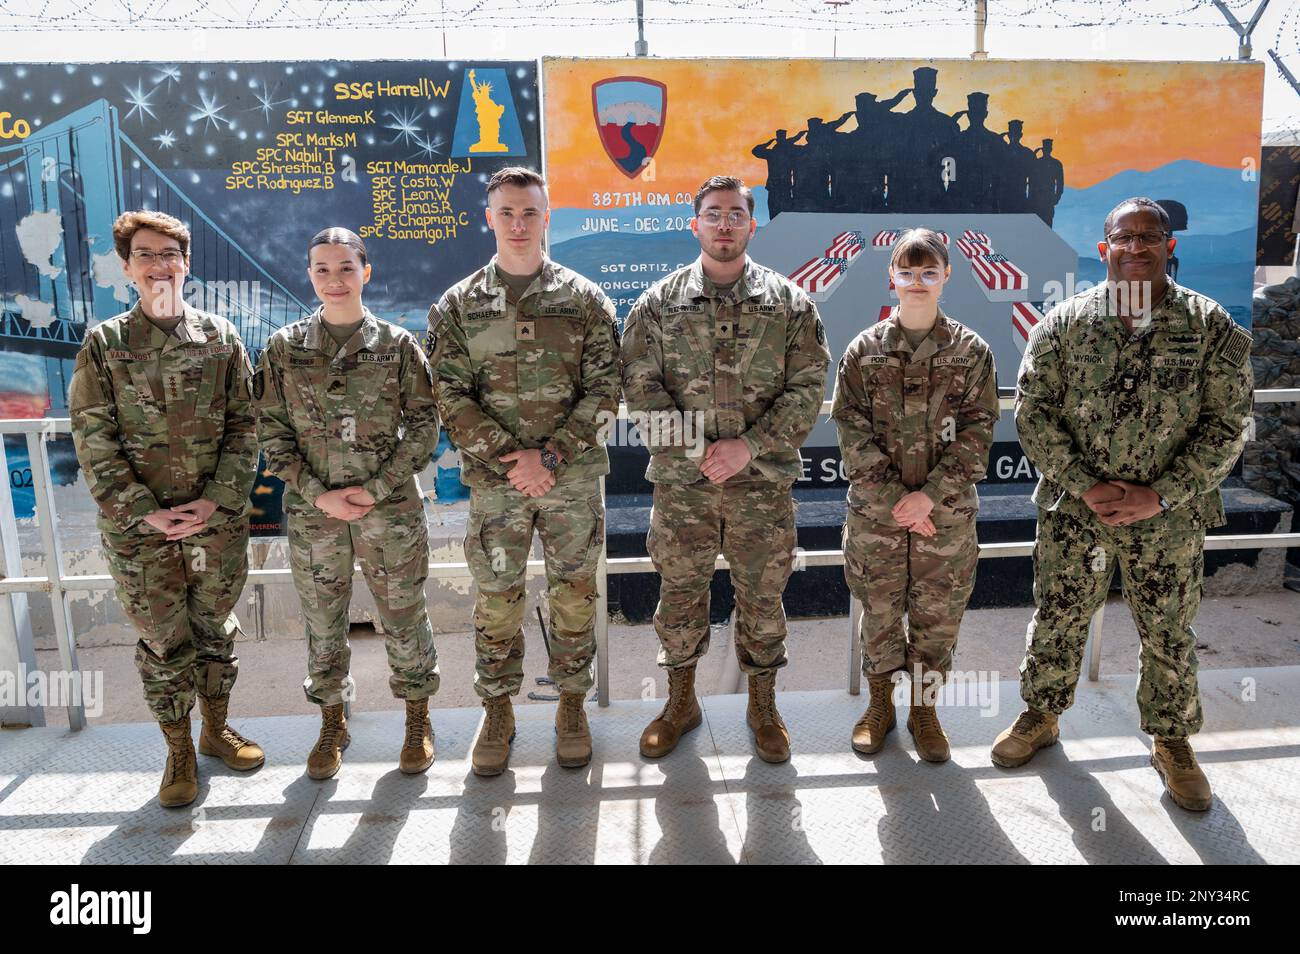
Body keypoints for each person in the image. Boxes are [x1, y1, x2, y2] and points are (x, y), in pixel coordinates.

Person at [993, 197, 1254, 812]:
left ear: (1170, 247)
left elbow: (1228, 424)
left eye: (1148, 236)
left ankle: (1172, 740)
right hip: (1076, 512)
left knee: (1168, 630)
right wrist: (1085, 484)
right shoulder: (1064, 324)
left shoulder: (1209, 325)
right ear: (1104, 247)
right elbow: (1034, 415)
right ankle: (1041, 715)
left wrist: (1160, 493)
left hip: (1168, 518)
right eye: (1123, 237)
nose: (1135, 247)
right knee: (1058, 616)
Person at [621, 175, 831, 763]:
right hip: (685, 488)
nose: (723, 224)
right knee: (681, 594)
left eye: (735, 214)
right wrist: (700, 451)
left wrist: (751, 446)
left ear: (750, 224)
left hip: (760, 486)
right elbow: (640, 388)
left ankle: (762, 708)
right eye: (712, 214)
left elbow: (809, 386)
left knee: (763, 597)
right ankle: (681, 703)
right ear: (695, 225)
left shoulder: (789, 303)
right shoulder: (658, 304)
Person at [429, 167, 621, 776]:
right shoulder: (457, 305)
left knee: (573, 594)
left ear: (546, 218)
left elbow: (606, 389)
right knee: (497, 599)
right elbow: (449, 397)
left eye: (530, 213)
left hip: (569, 483)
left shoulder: (586, 300)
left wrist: (552, 458)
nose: (518, 223)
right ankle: (498, 710)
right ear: (489, 217)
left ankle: (571, 705)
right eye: (507, 212)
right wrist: (516, 461)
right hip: (498, 485)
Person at [69, 210, 262, 808]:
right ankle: (177, 748)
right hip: (139, 533)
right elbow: (91, 437)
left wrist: (216, 500)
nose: (160, 264)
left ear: (187, 262)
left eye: (171, 254)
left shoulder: (221, 338)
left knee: (214, 632)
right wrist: (145, 511)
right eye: (147, 254)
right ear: (127, 267)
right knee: (162, 640)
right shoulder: (105, 344)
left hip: (215, 524)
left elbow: (245, 427)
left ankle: (214, 728)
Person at [255, 227, 441, 780]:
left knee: (404, 616)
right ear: (309, 275)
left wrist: (375, 488)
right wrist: (319, 494)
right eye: (321, 269)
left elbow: (425, 425)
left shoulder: (399, 345)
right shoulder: (284, 349)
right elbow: (270, 430)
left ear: (367, 271)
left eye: (345, 267)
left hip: (390, 512)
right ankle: (332, 721)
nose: (334, 279)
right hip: (316, 517)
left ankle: (417, 718)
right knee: (322, 620)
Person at [832, 228, 999, 762]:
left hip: (943, 520)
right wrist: (896, 503)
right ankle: (879, 706)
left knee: (937, 619)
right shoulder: (864, 350)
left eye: (929, 272)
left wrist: (929, 498)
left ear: (947, 276)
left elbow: (978, 432)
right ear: (892, 279)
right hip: (878, 520)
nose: (918, 282)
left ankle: (924, 712)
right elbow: (849, 429)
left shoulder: (972, 352)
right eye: (907, 272)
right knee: (879, 613)